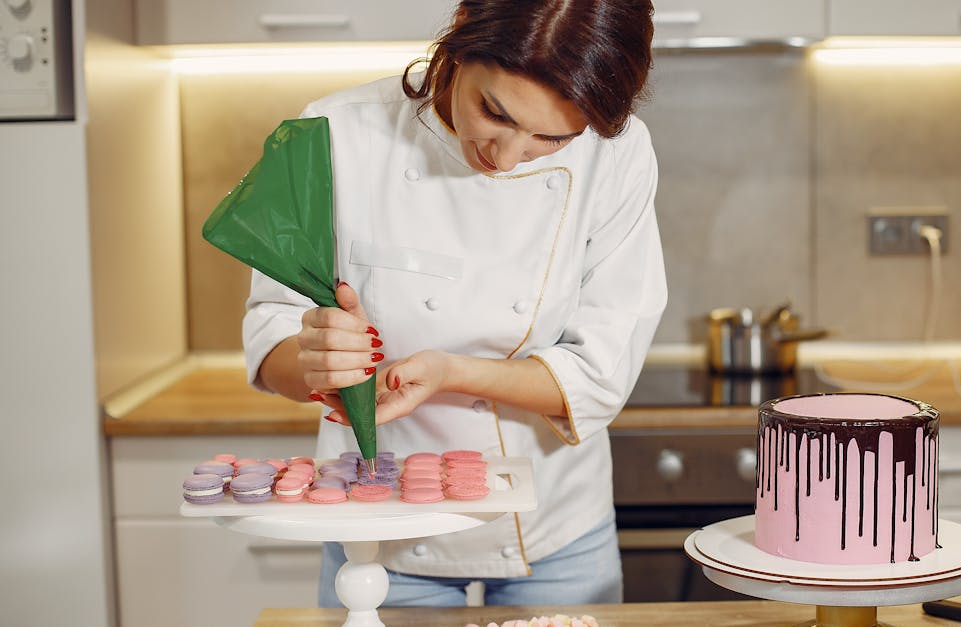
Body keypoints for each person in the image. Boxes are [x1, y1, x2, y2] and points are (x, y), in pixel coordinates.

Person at [241, 0, 666, 608]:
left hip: (554, 530)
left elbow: (600, 374)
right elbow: (272, 329)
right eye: (494, 112)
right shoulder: (334, 131)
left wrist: (451, 372)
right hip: (382, 527)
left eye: (552, 138)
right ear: (459, 46)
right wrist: (314, 360)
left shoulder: (617, 152)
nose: (508, 157)